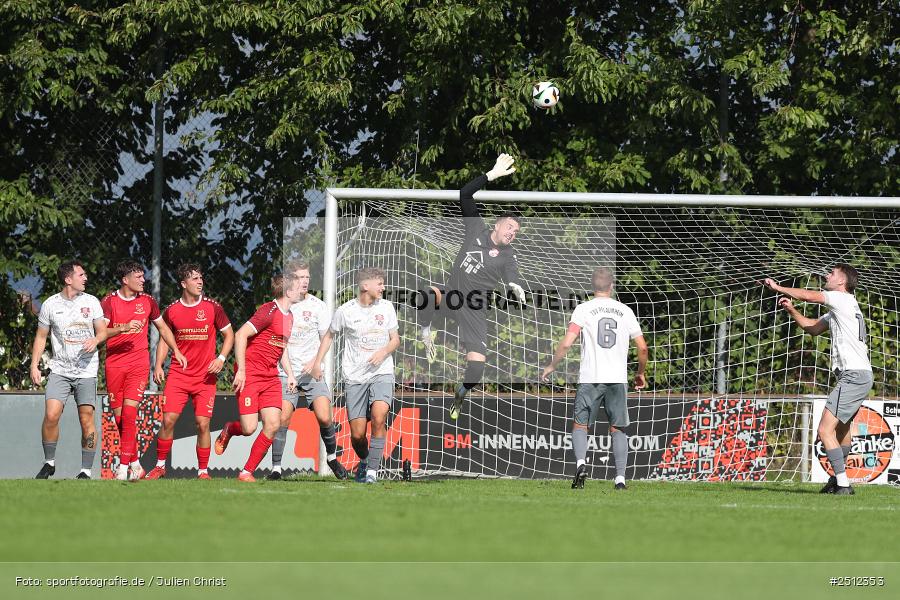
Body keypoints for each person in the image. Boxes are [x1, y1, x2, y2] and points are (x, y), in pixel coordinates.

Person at [417, 153, 524, 420]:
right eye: (509, 227)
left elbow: (512, 273)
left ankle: (460, 395)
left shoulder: (508, 254)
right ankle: (426, 332)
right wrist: (491, 174)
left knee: (476, 369)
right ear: (497, 225)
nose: (512, 233)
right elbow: (465, 194)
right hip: (452, 296)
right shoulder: (476, 228)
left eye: (516, 232)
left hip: (475, 309)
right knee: (427, 295)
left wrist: (515, 284)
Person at [762, 264, 873, 495]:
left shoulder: (841, 299)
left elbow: (810, 296)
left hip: (854, 375)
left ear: (842, 282)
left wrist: (777, 287)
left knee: (824, 431)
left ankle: (843, 485)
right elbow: (812, 328)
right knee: (841, 431)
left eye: (831, 273)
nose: (826, 275)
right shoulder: (840, 308)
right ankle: (837, 479)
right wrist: (792, 310)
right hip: (857, 375)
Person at [542, 267, 648, 490]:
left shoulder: (583, 309)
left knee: (580, 426)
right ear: (612, 286)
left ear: (593, 286)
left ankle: (581, 464)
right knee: (618, 429)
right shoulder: (625, 311)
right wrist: (640, 373)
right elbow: (643, 348)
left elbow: (567, 342)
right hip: (617, 379)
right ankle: (620, 479)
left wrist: (552, 365)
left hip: (590, 377)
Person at [310, 267, 399, 483]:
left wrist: (383, 352)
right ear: (365, 285)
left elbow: (395, 340)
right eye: (380, 283)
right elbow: (329, 336)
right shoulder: (345, 311)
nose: (383, 288)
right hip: (355, 378)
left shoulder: (387, 308)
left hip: (382, 373)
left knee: (379, 417)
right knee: (358, 435)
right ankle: (366, 461)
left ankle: (371, 473)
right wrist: (317, 362)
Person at [101, 259, 187, 481]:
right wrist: (123, 328)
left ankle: (122, 467)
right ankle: (136, 463)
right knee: (120, 419)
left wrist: (175, 350)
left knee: (130, 414)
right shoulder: (109, 302)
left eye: (143, 276)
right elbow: (101, 334)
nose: (143, 280)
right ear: (125, 280)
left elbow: (163, 328)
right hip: (114, 364)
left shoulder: (148, 301)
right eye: (138, 277)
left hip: (138, 364)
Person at [146, 263, 234, 480]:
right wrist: (158, 365)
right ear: (183, 284)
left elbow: (230, 335)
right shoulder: (173, 310)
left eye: (201, 278)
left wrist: (221, 359)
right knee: (168, 420)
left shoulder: (213, 308)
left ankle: (203, 471)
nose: (200, 282)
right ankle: (159, 466)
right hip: (178, 374)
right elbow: (165, 340)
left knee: (203, 424)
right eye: (195, 279)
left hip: (205, 377)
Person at [214, 273, 301, 482]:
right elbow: (241, 334)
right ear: (288, 292)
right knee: (249, 428)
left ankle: (246, 472)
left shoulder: (290, 316)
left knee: (273, 424)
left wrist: (289, 374)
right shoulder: (268, 311)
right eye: (298, 288)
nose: (302, 290)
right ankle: (230, 428)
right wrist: (241, 370)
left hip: (271, 376)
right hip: (250, 373)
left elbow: (282, 348)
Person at [268, 262, 347, 480]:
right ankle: (276, 468)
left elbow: (326, 338)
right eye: (300, 277)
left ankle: (331, 458)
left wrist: (315, 362)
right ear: (290, 280)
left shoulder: (318, 306)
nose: (305, 281)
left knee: (324, 416)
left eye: (307, 277)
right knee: (283, 417)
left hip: (312, 372)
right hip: (286, 372)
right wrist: (290, 372)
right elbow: (279, 343)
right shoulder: (282, 306)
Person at [30, 260, 108, 479]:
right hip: (60, 370)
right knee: (51, 415)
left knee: (86, 420)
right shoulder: (50, 305)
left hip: (86, 371)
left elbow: (102, 331)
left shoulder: (91, 302)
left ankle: (85, 470)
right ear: (68, 279)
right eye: (81, 275)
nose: (86, 278)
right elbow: (41, 336)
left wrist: (96, 339)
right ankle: (49, 462)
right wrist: (34, 365)